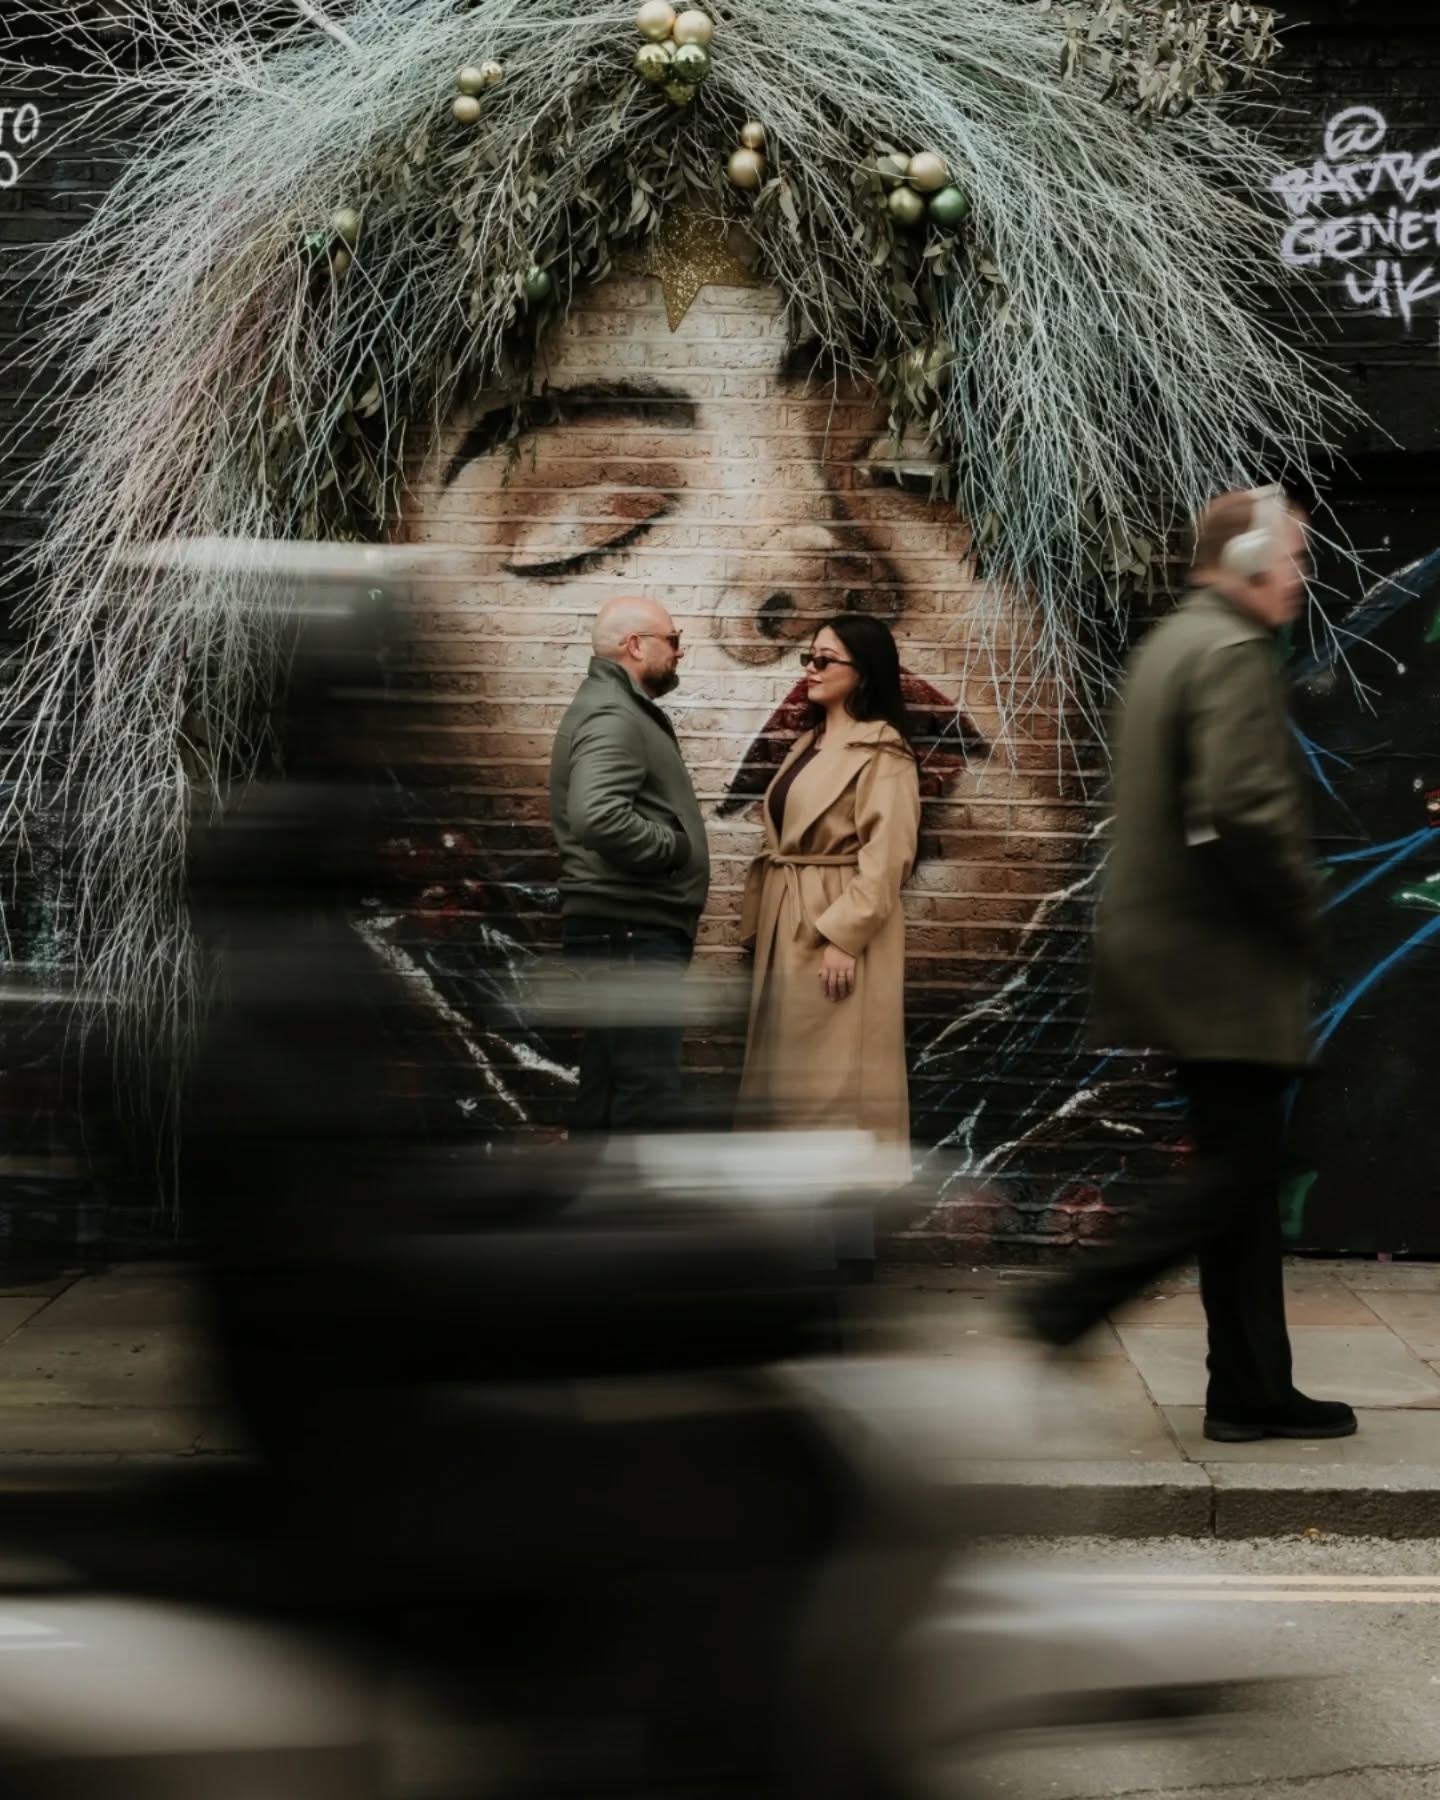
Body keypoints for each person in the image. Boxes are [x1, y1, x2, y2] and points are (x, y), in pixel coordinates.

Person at [1019, 487, 1357, 1443]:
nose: (1301, 578)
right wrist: (1303, 912)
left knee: (1239, 1177)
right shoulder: (1231, 651)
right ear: (1247, 561)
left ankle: (1249, 1391)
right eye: (1293, 558)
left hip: (1175, 949)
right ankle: (1073, 1301)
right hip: (1221, 958)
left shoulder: (1174, 642)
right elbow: (1241, 810)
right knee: (1241, 1168)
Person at [738, 615, 922, 1204]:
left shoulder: (882, 751)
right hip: (790, 922)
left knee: (832, 1090)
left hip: (834, 927)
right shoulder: (809, 743)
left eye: (825, 660)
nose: (811, 670)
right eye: (808, 658)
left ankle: (837, 1234)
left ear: (861, 673)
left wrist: (845, 936)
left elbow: (888, 855)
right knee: (793, 1085)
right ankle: (806, 1227)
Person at [549, 594, 710, 1133]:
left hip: (624, 930)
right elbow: (597, 816)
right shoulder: (613, 714)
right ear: (636, 645)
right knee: (646, 1090)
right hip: (631, 932)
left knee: (609, 1083)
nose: (680, 652)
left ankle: (592, 1186)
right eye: (674, 640)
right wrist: (675, 849)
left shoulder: (617, 707)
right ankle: (631, 1185)